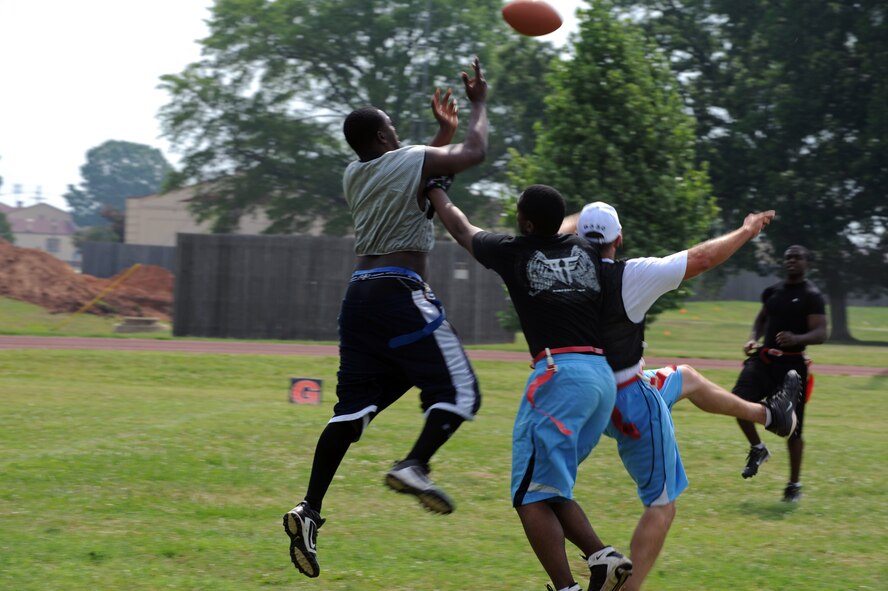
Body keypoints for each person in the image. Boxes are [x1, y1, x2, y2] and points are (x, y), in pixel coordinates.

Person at [283, 57, 489, 578]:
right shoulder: (406, 160)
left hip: (359, 299)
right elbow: (473, 152)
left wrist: (440, 132)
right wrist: (478, 105)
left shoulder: (355, 173)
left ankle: (309, 509)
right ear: (379, 136)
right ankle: (414, 464)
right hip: (401, 291)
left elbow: (409, 167)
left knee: (352, 410)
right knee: (461, 392)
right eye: (392, 130)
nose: (400, 137)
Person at [562, 202, 800, 591]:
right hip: (629, 402)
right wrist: (746, 230)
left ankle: (771, 415)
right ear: (619, 239)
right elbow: (703, 257)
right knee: (661, 505)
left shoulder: (562, 271)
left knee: (686, 378)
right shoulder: (631, 276)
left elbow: (554, 230)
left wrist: (575, 223)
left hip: (587, 399)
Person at [426, 182, 632, 591]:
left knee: (530, 496)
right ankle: (598, 563)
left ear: (525, 221)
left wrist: (434, 189)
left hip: (559, 377)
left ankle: (582, 575)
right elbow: (567, 228)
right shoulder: (586, 250)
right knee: (549, 486)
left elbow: (462, 228)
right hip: (600, 378)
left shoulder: (513, 251)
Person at [732, 244, 827, 502]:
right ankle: (758, 448)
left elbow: (821, 333)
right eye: (787, 258)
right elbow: (762, 319)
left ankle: (793, 485)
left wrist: (797, 337)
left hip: (792, 368)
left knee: (794, 431)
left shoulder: (812, 295)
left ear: (807, 262)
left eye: (797, 257)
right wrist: (753, 338)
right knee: (736, 403)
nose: (791, 261)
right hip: (763, 361)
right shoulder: (772, 291)